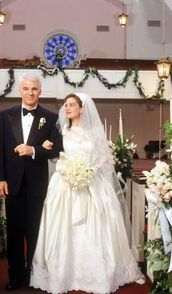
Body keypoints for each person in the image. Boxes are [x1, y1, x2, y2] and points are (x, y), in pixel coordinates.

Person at [30, 93, 145, 294]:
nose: (67, 108)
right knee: (62, 226)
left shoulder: (94, 133)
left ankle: (98, 272)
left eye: (72, 105)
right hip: (65, 184)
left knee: (96, 227)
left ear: (82, 108)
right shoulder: (61, 132)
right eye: (66, 105)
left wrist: (89, 171)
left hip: (91, 184)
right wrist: (68, 169)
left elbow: (104, 159)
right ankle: (62, 272)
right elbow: (55, 157)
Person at [0, 73, 63, 291]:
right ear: (20, 91)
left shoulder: (50, 118)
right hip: (11, 182)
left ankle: (32, 275)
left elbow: (58, 148)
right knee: (14, 232)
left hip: (37, 183)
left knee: (35, 231)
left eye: (34, 89)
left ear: (39, 92)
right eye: (26, 89)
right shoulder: (6, 115)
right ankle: (14, 275)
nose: (30, 93)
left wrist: (34, 150)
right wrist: (0, 178)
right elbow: (0, 150)